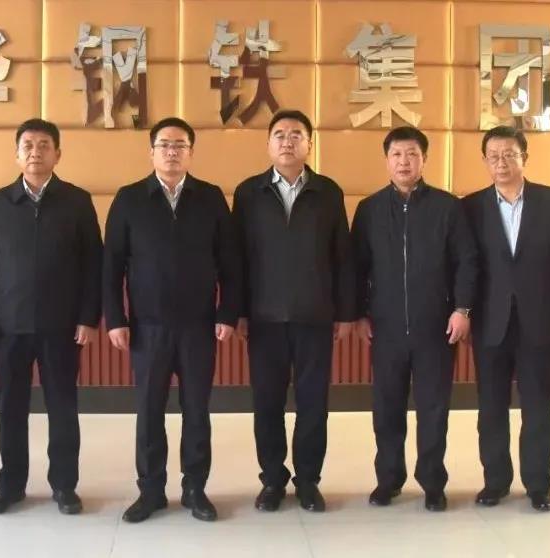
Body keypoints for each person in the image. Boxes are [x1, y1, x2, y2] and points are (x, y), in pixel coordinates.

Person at [103, 117, 241, 523]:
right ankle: (150, 491)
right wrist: (115, 318)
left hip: (199, 326)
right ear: (151, 152)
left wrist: (228, 312)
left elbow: (230, 262)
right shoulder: (130, 199)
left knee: (196, 410)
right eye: (164, 144)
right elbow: (111, 266)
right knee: (149, 411)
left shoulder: (210, 198)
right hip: (147, 327)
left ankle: (195, 489)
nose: (172, 151)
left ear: (191, 153)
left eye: (180, 145)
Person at [0, 119, 102, 515]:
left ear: (57, 154)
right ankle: (10, 485)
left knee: (63, 408)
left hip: (61, 326)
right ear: (17, 154)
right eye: (27, 145)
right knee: (10, 408)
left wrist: (88, 317)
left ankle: (64, 485)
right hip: (8, 326)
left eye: (44, 145)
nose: (35, 152)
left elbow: (93, 264)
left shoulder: (77, 201)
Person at [232, 110, 354, 513]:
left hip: (314, 317)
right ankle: (272, 480)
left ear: (309, 144)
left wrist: (344, 312)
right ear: (268, 144)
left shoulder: (328, 192)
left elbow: (342, 257)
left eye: (296, 135)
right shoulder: (248, 193)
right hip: (263, 318)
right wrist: (238, 311)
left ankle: (308, 481)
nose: (288, 141)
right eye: (280, 134)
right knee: (266, 404)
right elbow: (237, 260)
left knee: (313, 404)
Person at [351, 126, 477, 512]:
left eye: (412, 154)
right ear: (386, 160)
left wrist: (462, 308)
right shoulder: (370, 209)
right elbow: (356, 266)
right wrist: (359, 313)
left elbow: (467, 261)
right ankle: (388, 480)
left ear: (424, 159)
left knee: (433, 409)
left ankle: (433, 483)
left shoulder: (448, 207)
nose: (404, 162)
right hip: (386, 328)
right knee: (386, 408)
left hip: (436, 327)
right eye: (397, 154)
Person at [462, 126, 550, 512]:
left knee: (538, 406)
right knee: (491, 407)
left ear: (524, 157)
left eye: (509, 154)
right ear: (485, 161)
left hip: (539, 320)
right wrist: (464, 311)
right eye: (493, 156)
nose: (501, 162)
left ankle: (538, 484)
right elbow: (466, 266)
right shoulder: (471, 206)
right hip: (490, 322)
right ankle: (495, 482)